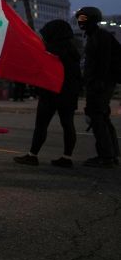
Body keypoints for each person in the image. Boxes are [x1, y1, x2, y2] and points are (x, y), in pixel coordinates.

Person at [14, 19, 82, 168]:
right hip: (68, 94)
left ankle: (33, 155)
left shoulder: (49, 50)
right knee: (68, 125)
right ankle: (67, 157)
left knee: (41, 125)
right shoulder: (73, 51)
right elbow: (77, 76)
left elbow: (40, 69)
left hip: (50, 94)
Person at [75, 7, 119, 168]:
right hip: (99, 83)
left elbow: (103, 63)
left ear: (93, 19)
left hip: (100, 84)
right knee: (102, 117)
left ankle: (106, 156)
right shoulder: (95, 36)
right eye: (79, 18)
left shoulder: (100, 37)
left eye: (84, 18)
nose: (80, 22)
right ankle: (111, 154)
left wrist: (97, 83)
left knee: (97, 117)